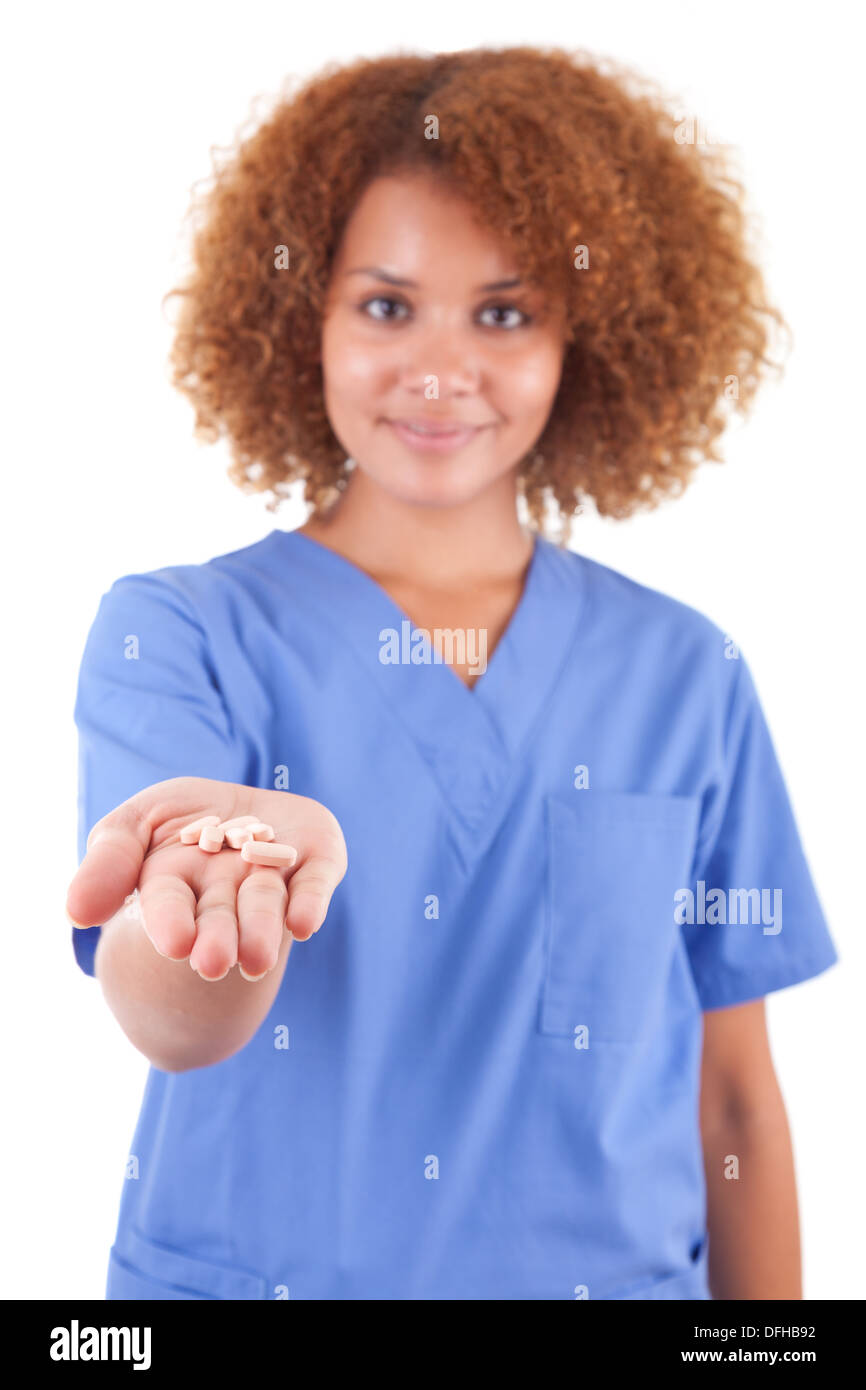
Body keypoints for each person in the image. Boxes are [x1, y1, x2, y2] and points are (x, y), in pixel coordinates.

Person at [66, 46, 838, 1300]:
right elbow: (169, 1011)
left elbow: (736, 1103)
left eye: (501, 311)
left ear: (583, 335)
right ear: (298, 316)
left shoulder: (685, 674)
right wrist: (226, 892)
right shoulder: (179, 635)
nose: (437, 369)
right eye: (383, 306)